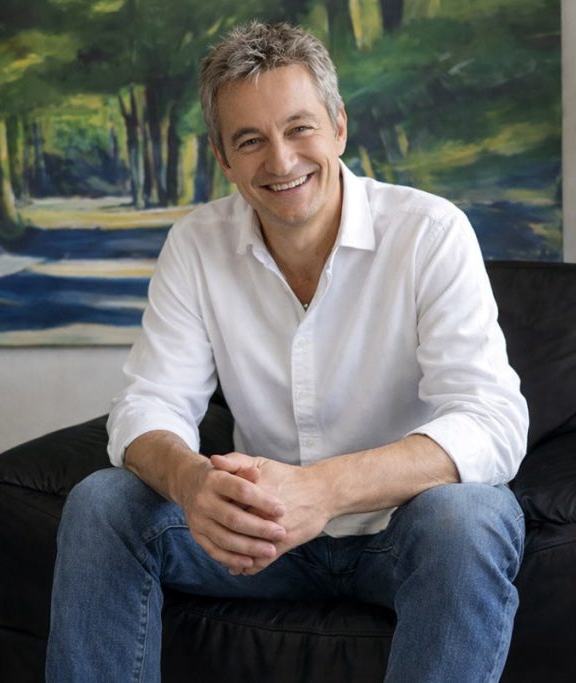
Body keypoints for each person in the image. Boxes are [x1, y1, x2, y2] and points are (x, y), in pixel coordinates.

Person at [46, 21, 529, 683]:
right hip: (255, 538)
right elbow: (148, 404)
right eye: (250, 140)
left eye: (300, 128)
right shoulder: (195, 245)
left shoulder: (430, 233)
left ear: (339, 126)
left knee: (469, 516)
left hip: (403, 534)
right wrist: (192, 484)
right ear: (223, 158)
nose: (280, 161)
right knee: (104, 504)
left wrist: (320, 491)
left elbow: (492, 422)